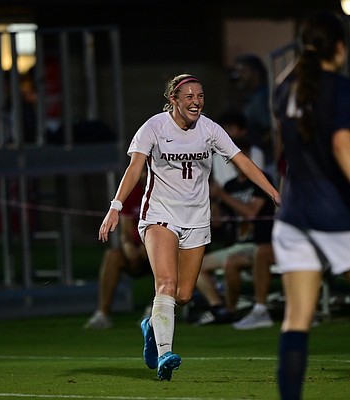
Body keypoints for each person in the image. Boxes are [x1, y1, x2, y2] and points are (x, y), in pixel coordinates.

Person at [98, 73, 280, 381]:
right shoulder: (154, 127)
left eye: (200, 96)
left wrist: (272, 191)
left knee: (182, 295)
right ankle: (165, 353)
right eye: (189, 97)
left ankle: (152, 326)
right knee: (166, 285)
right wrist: (115, 207)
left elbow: (242, 161)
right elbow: (134, 168)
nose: (196, 102)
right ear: (173, 100)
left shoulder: (209, 129)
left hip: (197, 219)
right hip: (160, 214)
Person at [272, 11, 350, 400]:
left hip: (292, 218)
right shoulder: (340, 89)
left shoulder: (285, 89)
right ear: (340, 48)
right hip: (337, 217)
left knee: (296, 319)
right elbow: (343, 145)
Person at [195, 138, 275, 329]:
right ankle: (217, 308)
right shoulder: (230, 185)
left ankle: (231, 311)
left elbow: (252, 213)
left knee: (231, 262)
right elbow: (216, 223)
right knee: (196, 265)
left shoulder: (261, 181)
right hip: (236, 244)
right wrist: (214, 199)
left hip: (259, 243)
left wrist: (223, 196)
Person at [86, 174, 151, 329]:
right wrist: (127, 244)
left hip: (158, 247)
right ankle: (103, 313)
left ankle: (155, 310)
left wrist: (149, 245)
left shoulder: (164, 191)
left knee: (165, 256)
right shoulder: (132, 192)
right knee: (112, 256)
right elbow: (126, 230)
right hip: (138, 248)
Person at [231, 54, 275, 179]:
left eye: (242, 71)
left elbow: (270, 130)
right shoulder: (251, 97)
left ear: (255, 73)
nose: (238, 76)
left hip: (265, 161)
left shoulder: (260, 98)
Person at [212, 108, 265, 187]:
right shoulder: (217, 158)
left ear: (243, 131)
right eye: (223, 130)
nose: (226, 134)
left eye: (230, 129)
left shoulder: (256, 152)